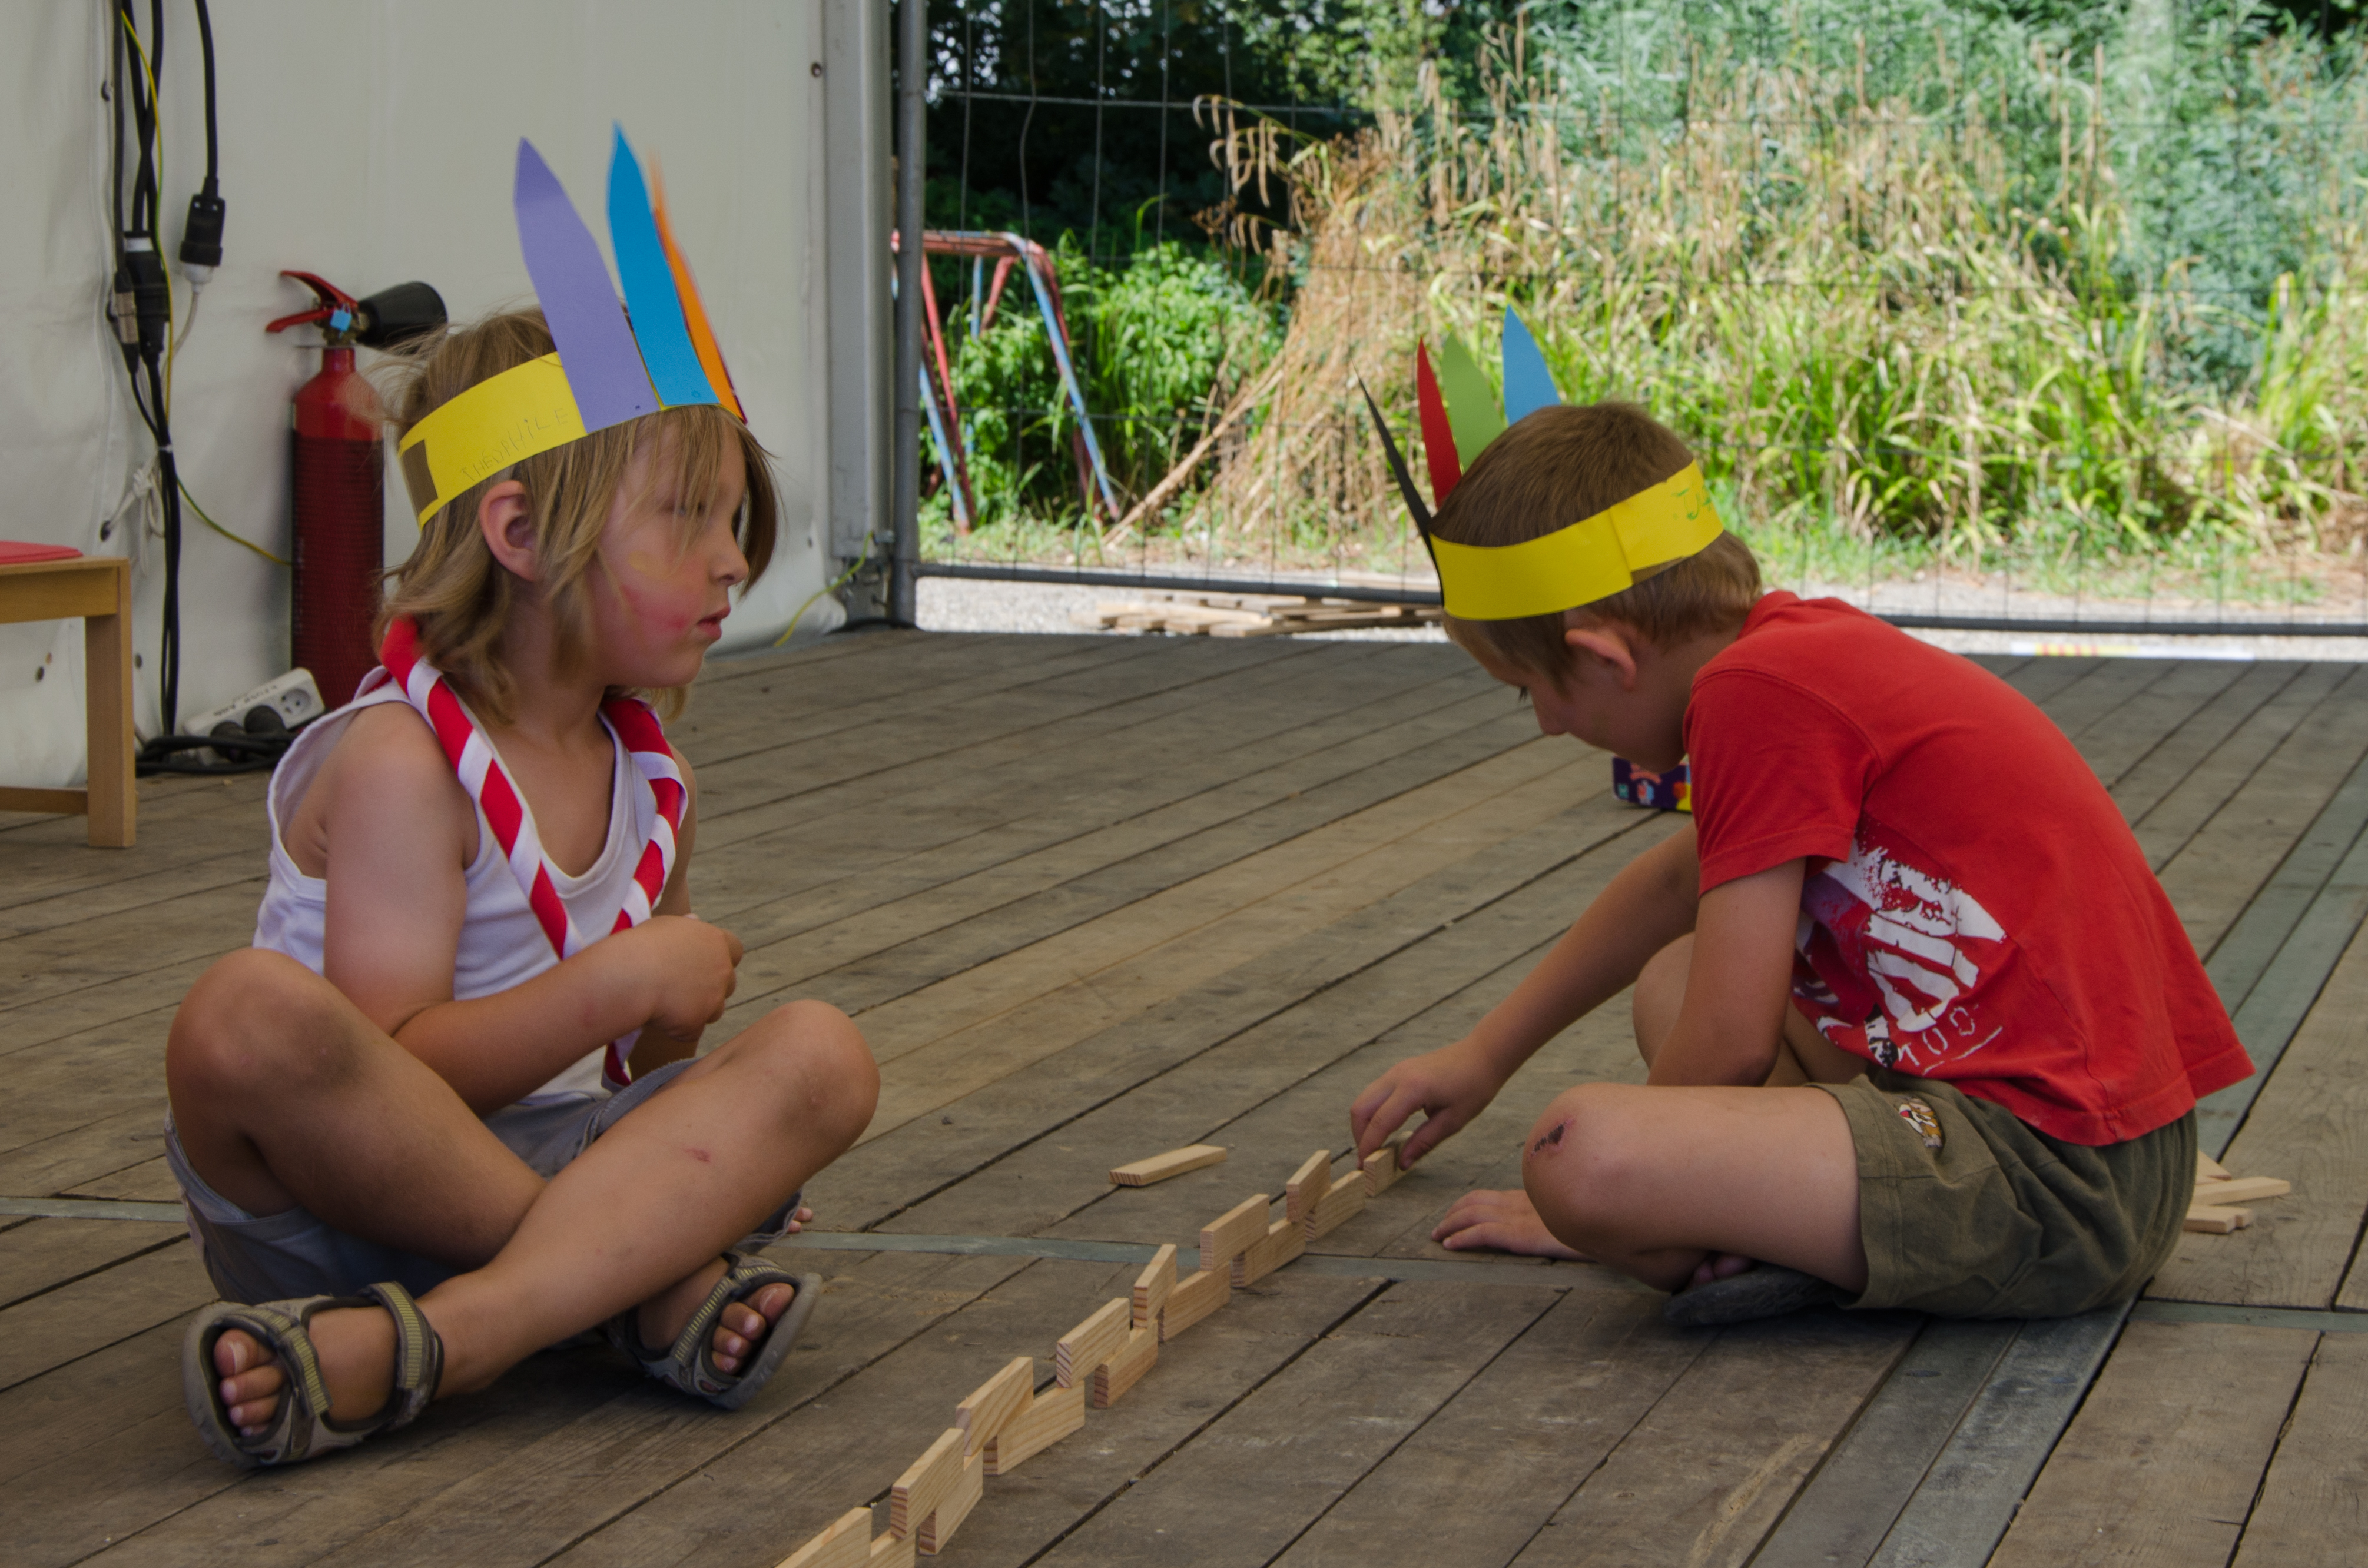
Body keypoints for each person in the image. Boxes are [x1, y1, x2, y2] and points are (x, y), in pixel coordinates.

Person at [170, 137, 878, 1467]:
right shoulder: (402, 764)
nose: (733, 563)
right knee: (242, 1016)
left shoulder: (652, 782)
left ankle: (451, 1337)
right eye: (688, 518)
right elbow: (393, 1069)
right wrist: (621, 990)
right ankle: (623, 1292)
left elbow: (637, 1086)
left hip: (551, 1171)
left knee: (822, 1055)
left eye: (735, 524)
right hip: (334, 1207)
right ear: (518, 536)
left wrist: (675, 1054)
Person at [1348, 400, 2249, 1324]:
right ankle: (1772, 1232)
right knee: (1672, 980)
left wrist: (1613, 1203)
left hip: (2054, 1185)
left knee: (1579, 1153)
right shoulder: (1790, 657)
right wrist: (1482, 1056)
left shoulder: (1749, 699)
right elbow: (1674, 885)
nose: (1545, 724)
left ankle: (1734, 1232)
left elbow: (1732, 1043)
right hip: (2092, 1153)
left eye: (1529, 691)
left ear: (1605, 657)